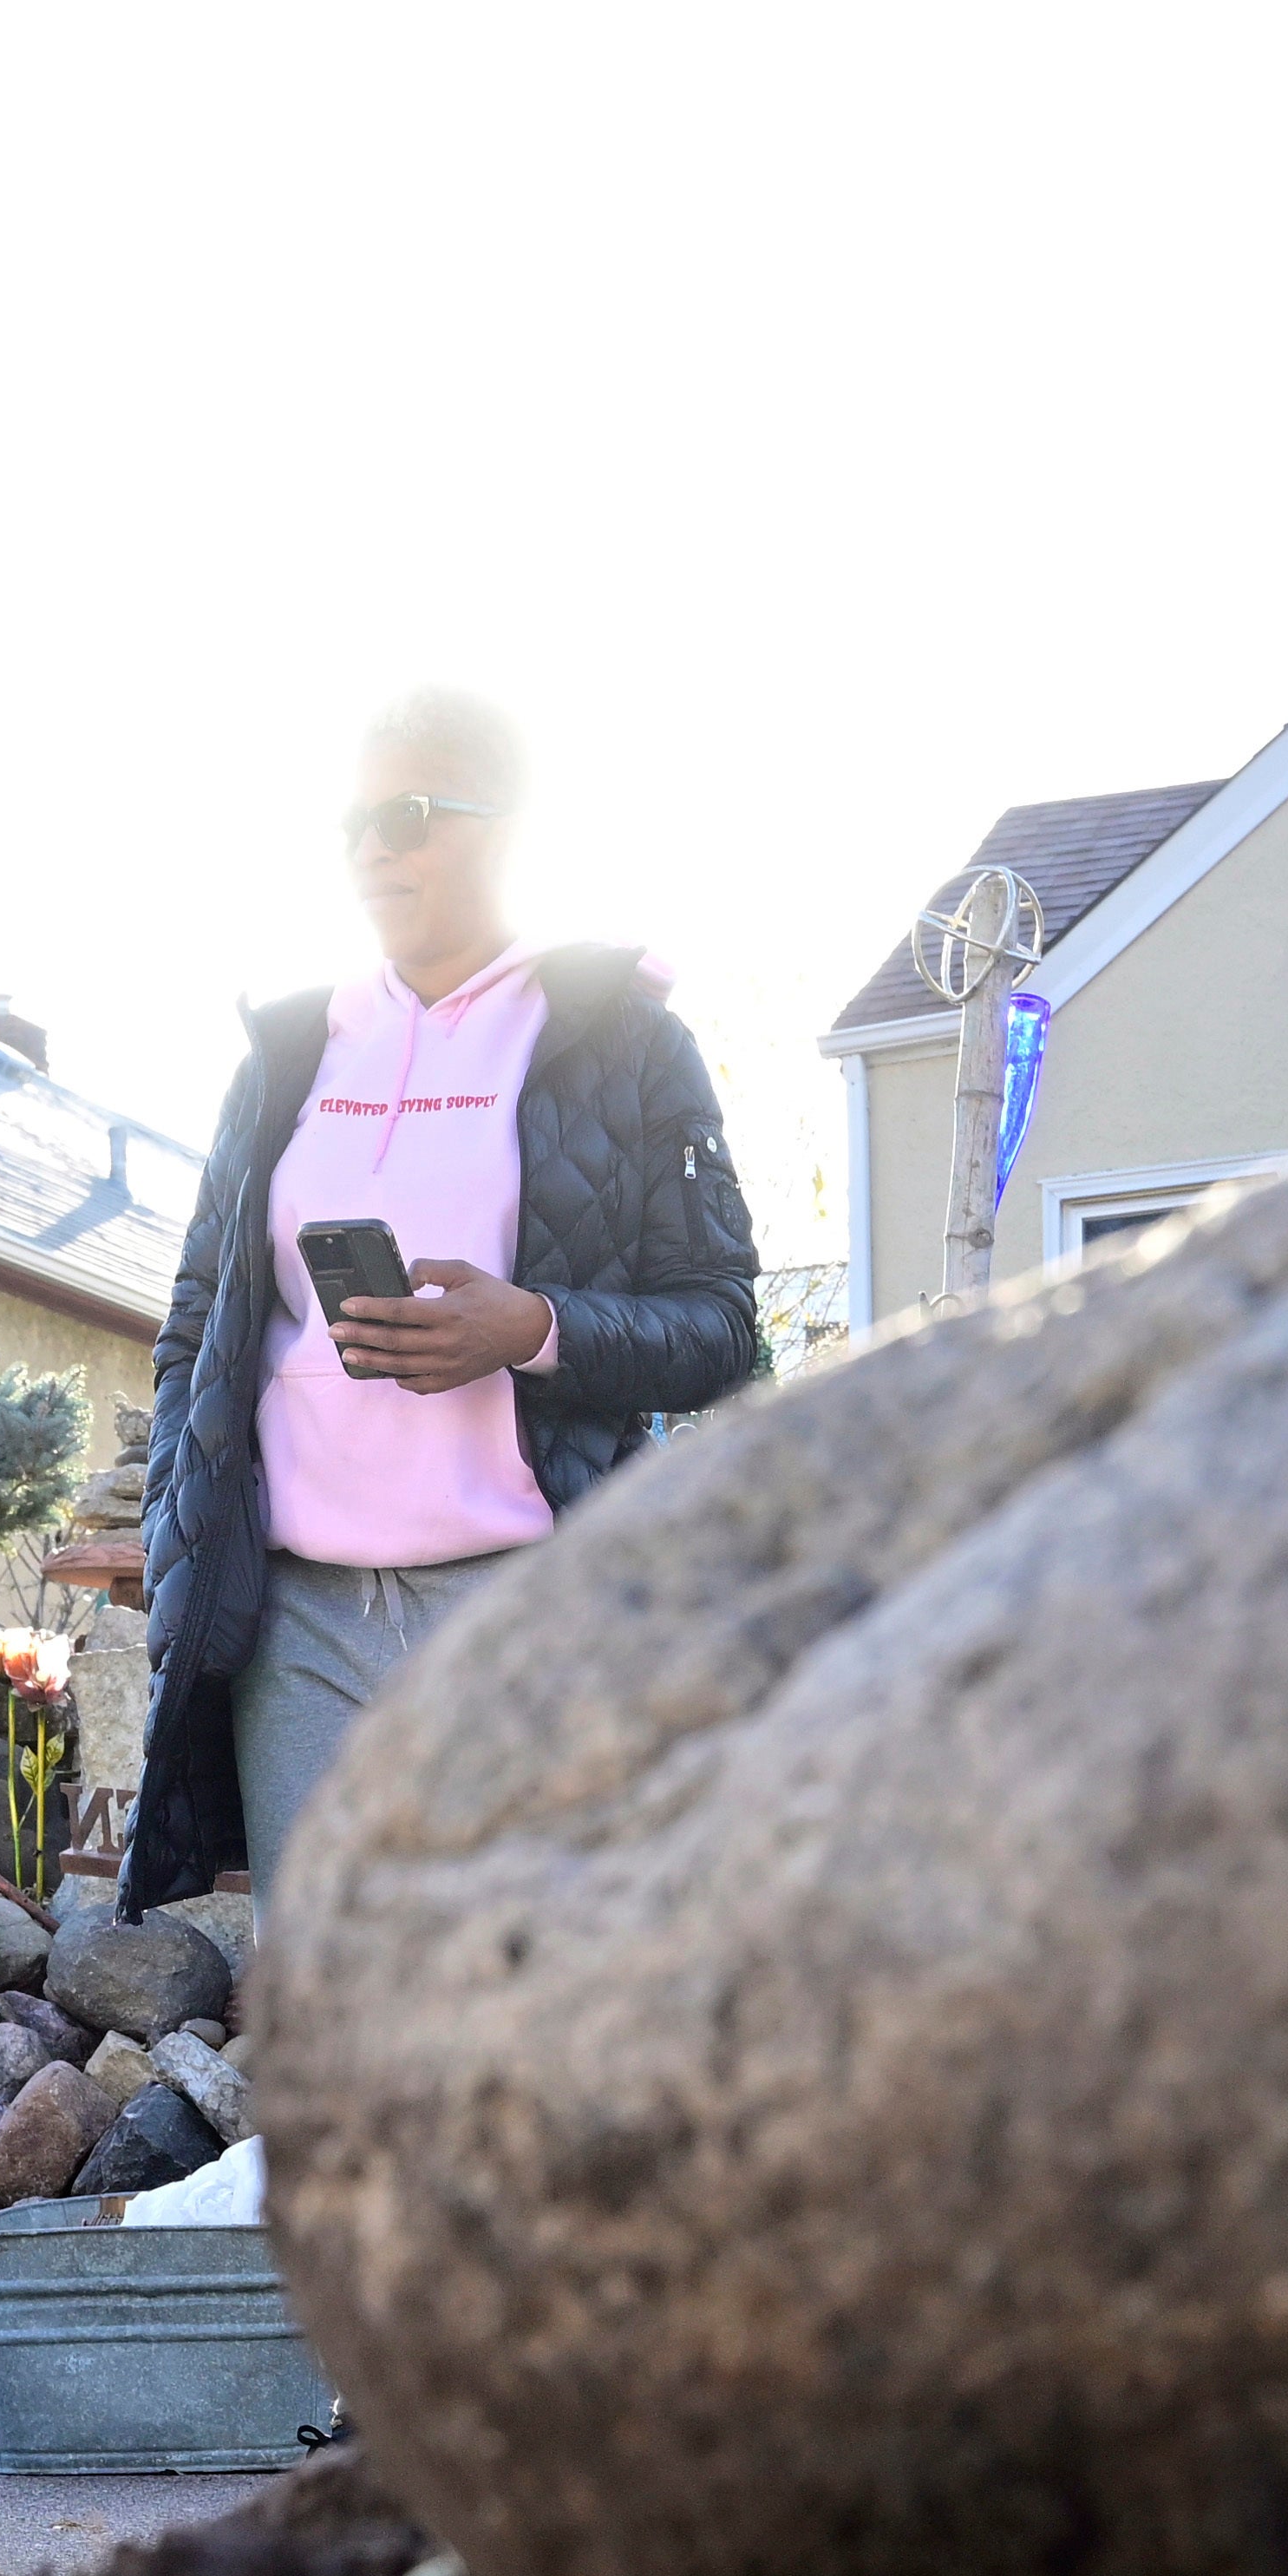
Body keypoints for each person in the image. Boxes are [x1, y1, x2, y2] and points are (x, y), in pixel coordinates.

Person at [122, 698, 761, 1911]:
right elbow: (199, 1317)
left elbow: (724, 1324)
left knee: (538, 1983)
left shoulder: (618, 1039)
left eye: (409, 817)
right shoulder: (289, 1053)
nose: (373, 849)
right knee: (326, 1997)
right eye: (354, 822)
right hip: (294, 1617)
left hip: (522, 1608)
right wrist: (179, 1520)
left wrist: (528, 1330)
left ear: (510, 828)